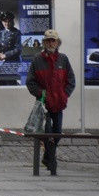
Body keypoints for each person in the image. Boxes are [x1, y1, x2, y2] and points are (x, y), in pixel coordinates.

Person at [25, 29, 75, 173]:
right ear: (44, 42)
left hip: (59, 104)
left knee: (57, 133)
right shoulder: (37, 59)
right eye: (48, 40)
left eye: (53, 40)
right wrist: (41, 94)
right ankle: (52, 163)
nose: (51, 43)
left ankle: (47, 157)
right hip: (43, 104)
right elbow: (30, 82)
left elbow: (71, 81)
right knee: (47, 133)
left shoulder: (63, 59)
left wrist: (64, 95)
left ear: (58, 42)